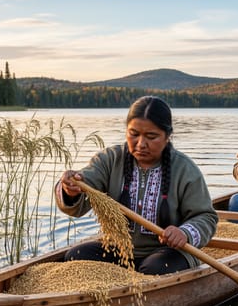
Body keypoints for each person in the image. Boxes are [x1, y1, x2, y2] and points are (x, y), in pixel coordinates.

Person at [57, 96, 218, 274]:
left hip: (168, 253)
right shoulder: (110, 159)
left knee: (154, 268)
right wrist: (71, 188)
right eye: (134, 134)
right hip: (118, 249)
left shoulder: (184, 169)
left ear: (167, 136)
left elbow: (206, 217)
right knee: (75, 255)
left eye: (151, 136)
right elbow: (86, 182)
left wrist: (184, 233)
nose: (141, 144)